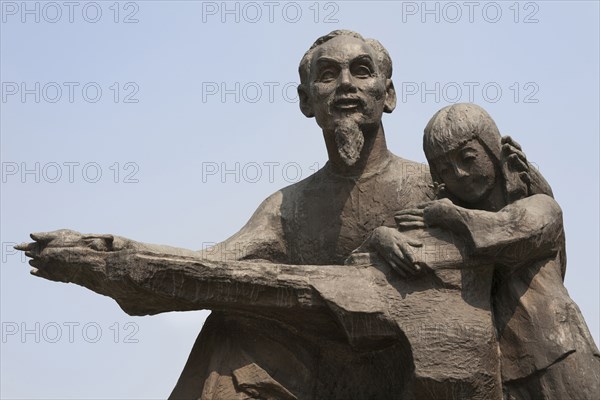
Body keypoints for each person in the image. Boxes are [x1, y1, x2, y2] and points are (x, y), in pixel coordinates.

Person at [16, 32, 553, 399]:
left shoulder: (438, 182)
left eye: (361, 72)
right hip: (326, 374)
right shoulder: (287, 207)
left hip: (418, 371)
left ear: (388, 95)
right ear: (306, 100)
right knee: (231, 328)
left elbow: (529, 242)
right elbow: (209, 269)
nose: (345, 84)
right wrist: (116, 257)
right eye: (328, 75)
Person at [387, 103, 600, 399]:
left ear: (492, 151)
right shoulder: (450, 229)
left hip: (559, 353)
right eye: (446, 169)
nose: (460, 174)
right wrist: (382, 237)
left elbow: (507, 230)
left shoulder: (541, 208)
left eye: (468, 158)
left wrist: (450, 215)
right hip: (495, 368)